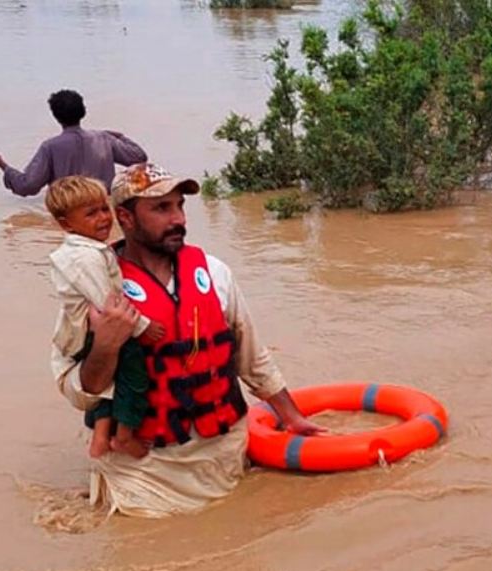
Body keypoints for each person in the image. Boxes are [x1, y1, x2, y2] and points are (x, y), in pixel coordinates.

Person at [50, 163, 321, 517]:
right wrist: (106, 344)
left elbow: (252, 360)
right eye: (161, 208)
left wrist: (291, 417)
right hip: (145, 473)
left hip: (223, 456)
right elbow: (79, 392)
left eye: (180, 206)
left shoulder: (214, 273)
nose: (177, 219)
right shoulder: (95, 289)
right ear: (125, 218)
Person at [45, 176, 163, 459]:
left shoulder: (87, 251)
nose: (103, 218)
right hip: (94, 330)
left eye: (103, 209)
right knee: (133, 374)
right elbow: (108, 303)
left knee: (109, 378)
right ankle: (123, 436)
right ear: (66, 224)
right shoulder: (83, 259)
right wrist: (144, 327)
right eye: (91, 213)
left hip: (87, 330)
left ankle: (100, 437)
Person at [0, 89, 148, 196]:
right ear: (83, 111)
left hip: (71, 214)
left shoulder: (50, 147)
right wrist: (120, 137)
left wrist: (2, 165)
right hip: (101, 209)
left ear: (55, 116)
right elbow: (139, 158)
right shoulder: (104, 138)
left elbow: (28, 185)